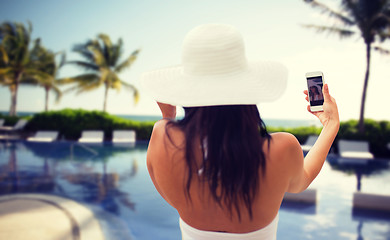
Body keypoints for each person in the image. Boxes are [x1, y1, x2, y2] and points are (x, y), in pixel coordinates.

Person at [141, 24, 339, 240]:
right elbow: (304, 179)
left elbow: (171, 194)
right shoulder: (282, 149)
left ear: (188, 92)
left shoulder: (162, 138)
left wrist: (168, 117)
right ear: (247, 89)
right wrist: (330, 125)